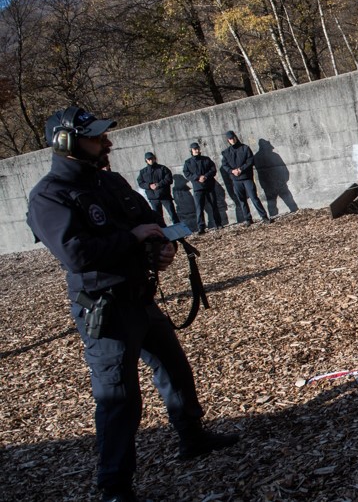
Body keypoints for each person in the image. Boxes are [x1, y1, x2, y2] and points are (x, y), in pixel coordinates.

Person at [26, 107, 239, 502]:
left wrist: (162, 246)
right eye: (95, 137)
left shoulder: (111, 182)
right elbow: (76, 254)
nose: (106, 142)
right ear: (65, 142)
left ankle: (191, 437)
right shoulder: (48, 197)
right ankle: (114, 485)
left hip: (140, 297)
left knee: (175, 370)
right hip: (105, 310)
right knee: (118, 398)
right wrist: (135, 238)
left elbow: (148, 222)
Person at [220, 130, 272, 226]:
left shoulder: (245, 148)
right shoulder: (226, 152)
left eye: (233, 138)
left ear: (236, 137)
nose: (232, 140)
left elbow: (250, 161)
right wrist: (232, 171)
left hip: (247, 178)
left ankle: (264, 216)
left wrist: (241, 169)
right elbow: (225, 165)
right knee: (242, 200)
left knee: (254, 198)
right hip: (236, 180)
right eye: (230, 139)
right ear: (228, 140)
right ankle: (248, 219)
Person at [182, 142, 222, 235]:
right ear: (191, 151)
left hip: (209, 186)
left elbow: (213, 169)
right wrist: (197, 177)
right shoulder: (188, 162)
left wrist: (205, 176)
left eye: (197, 149)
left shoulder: (206, 159)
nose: (196, 150)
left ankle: (218, 223)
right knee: (199, 208)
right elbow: (187, 173)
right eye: (194, 149)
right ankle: (201, 227)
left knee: (214, 206)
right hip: (198, 188)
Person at [136, 151, 180, 225]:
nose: (150, 160)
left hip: (165, 197)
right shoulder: (143, 172)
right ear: (146, 160)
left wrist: (158, 185)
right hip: (153, 198)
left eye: (152, 158)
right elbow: (140, 183)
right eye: (148, 159)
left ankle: (179, 231)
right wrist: (149, 186)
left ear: (155, 158)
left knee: (173, 214)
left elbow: (169, 179)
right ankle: (163, 233)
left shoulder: (163, 168)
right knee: (158, 218)